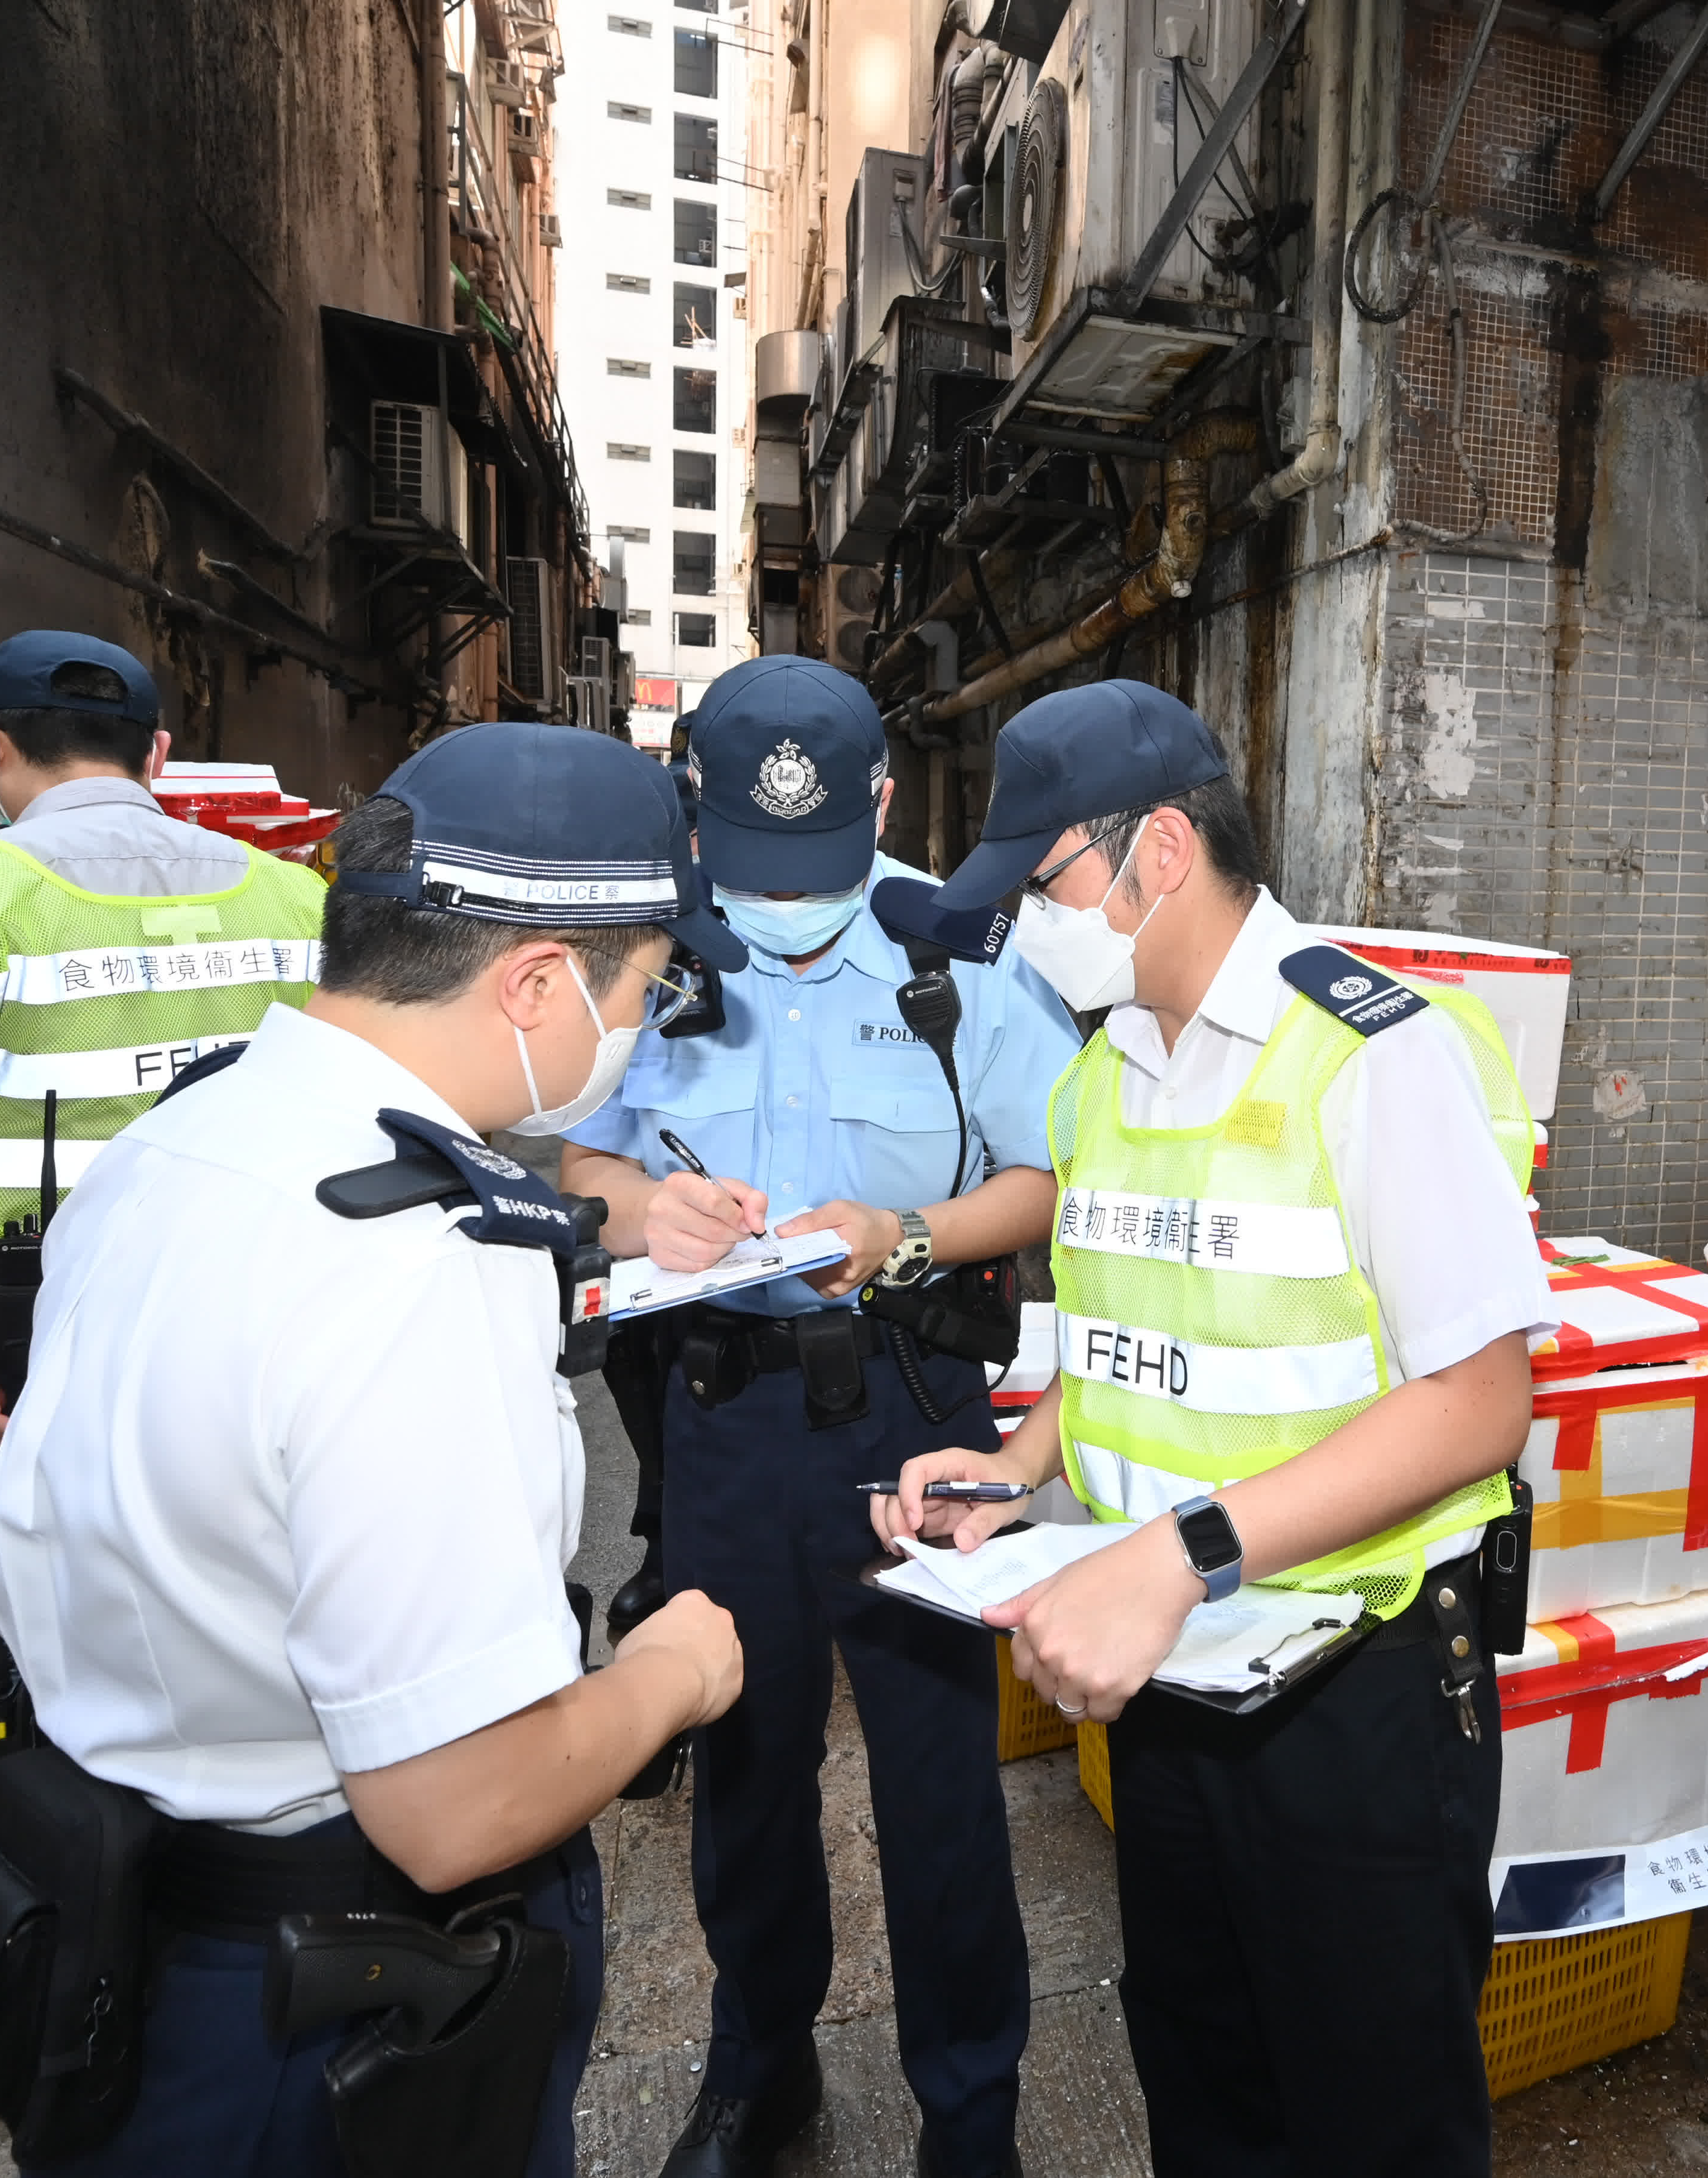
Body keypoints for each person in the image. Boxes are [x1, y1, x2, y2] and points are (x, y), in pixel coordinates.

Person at [0, 723, 750, 2178]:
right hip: (330, 2000)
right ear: (534, 983)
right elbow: (457, 1804)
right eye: (647, 987)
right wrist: (670, 1676)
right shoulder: (413, 1259)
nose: (643, 1026)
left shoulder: (175, 1140)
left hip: (114, 1929)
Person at [870, 682, 1551, 2178]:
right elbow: (1135, 1336)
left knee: (1372, 2114)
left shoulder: (1373, 1052)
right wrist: (1020, 1464)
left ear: (1160, 849)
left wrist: (1185, 1550)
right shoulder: (1107, 1071)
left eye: (1043, 888)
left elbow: (1480, 1401)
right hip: (1179, 1677)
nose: (1026, 929)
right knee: (1204, 2072)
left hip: (1353, 1689)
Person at [557, 656, 1078, 2178]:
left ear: (885, 807)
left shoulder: (959, 952)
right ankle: (758, 2064)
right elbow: (571, 1170)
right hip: (723, 1418)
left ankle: (969, 2113)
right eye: (752, 864)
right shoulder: (644, 955)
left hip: (915, 1413)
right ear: (696, 815)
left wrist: (906, 1234)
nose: (791, 907)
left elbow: (1052, 1176)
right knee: (745, 1770)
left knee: (938, 1797)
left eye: (826, 863)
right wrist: (652, 1205)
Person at [0, 631, 325, 1446]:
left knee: (42, 1563)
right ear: (156, 755)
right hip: (272, 1284)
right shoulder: (297, 895)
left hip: (49, 1299)